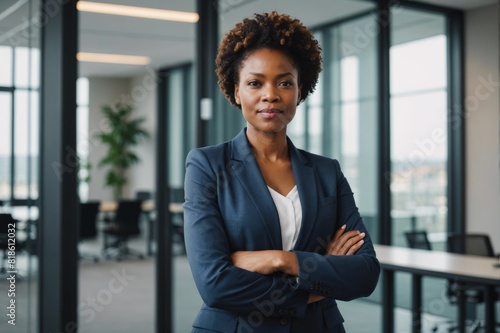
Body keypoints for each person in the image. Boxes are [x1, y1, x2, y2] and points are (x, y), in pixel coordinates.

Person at [183, 11, 380, 333]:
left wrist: (282, 260)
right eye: (254, 83)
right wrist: (319, 278)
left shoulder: (326, 172)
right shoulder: (207, 166)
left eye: (285, 82)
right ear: (236, 91)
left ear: (300, 91)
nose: (270, 94)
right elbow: (215, 284)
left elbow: (365, 273)